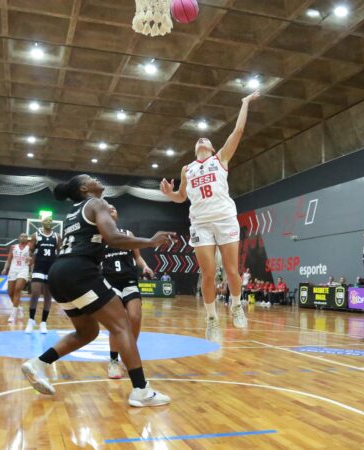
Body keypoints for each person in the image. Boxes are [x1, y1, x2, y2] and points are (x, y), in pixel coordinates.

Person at [20, 174, 173, 407]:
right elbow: (112, 237)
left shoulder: (74, 211)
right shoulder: (96, 203)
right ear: (85, 188)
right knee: (122, 326)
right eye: (91, 178)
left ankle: (40, 363)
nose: (97, 179)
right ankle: (141, 390)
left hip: (59, 273)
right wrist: (151, 242)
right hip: (80, 271)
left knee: (87, 332)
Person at [160, 91, 260, 341]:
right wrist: (169, 193)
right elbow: (181, 197)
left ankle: (236, 305)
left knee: (231, 271)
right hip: (201, 224)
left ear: (213, 147)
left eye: (206, 139)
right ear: (195, 150)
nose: (201, 140)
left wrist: (245, 103)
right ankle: (212, 319)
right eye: (198, 140)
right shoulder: (187, 169)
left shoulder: (221, 158)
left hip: (225, 219)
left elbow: (237, 131)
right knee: (207, 274)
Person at [101, 204, 155, 379]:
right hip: (110, 282)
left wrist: (145, 267)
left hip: (129, 280)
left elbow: (137, 257)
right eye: (107, 208)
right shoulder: (99, 236)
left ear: (117, 214)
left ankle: (128, 352)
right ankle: (113, 361)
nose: (111, 210)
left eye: (114, 208)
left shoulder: (127, 234)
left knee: (135, 317)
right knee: (117, 322)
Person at [26, 217, 60, 334]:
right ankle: (31, 320)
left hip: (51, 268)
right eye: (47, 221)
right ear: (42, 223)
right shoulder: (36, 235)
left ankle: (43, 322)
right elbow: (31, 250)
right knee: (35, 292)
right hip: (39, 267)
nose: (49, 222)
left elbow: (59, 252)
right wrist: (30, 259)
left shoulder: (56, 236)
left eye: (51, 221)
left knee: (48, 296)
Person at [2, 233, 31, 323]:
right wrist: (5, 268)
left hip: (23, 269)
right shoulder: (13, 247)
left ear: (27, 239)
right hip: (13, 270)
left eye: (25, 236)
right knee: (10, 292)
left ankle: (13, 315)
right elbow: (9, 259)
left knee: (17, 289)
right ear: (19, 238)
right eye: (22, 236)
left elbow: (32, 260)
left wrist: (31, 269)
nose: (23, 237)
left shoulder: (30, 248)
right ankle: (19, 307)